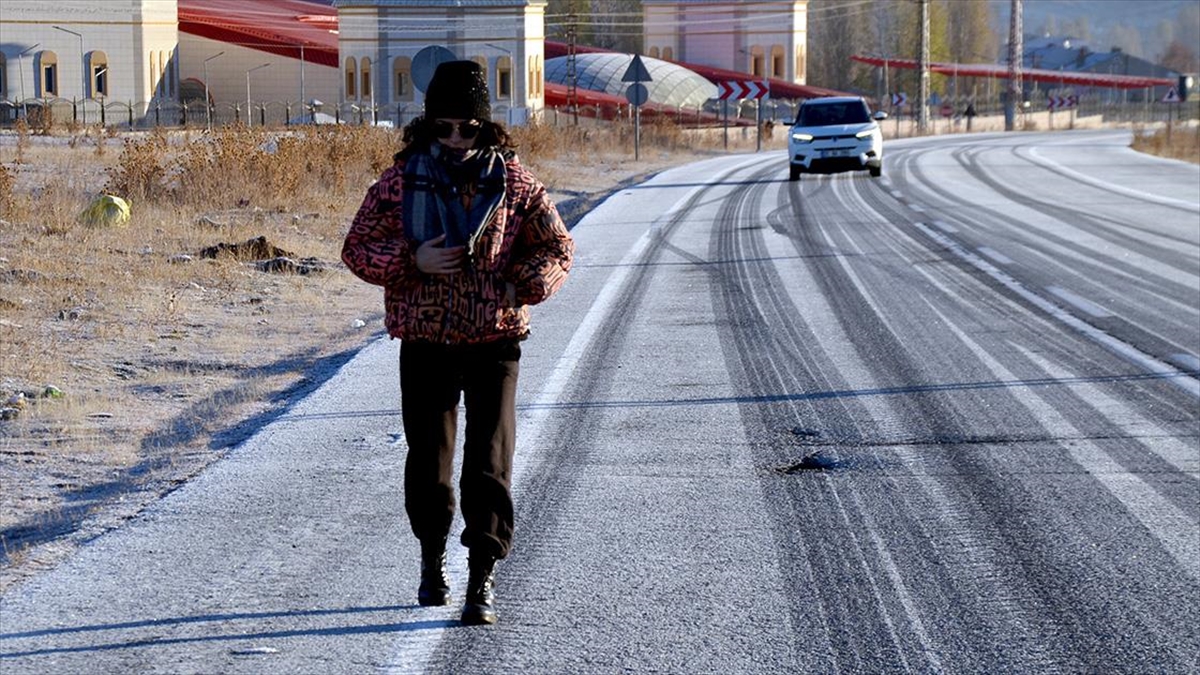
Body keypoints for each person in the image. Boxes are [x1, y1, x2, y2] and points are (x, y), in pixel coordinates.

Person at [341, 60, 574, 626]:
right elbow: (355, 248)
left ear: (486, 128)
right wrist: (409, 259)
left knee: (490, 462)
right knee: (430, 463)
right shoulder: (398, 182)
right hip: (425, 340)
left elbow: (559, 249)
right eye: (443, 127)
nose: (454, 138)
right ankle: (431, 561)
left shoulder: (516, 184)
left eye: (467, 128)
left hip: (495, 340)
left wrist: (523, 284)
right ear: (427, 126)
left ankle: (482, 578)